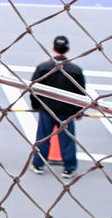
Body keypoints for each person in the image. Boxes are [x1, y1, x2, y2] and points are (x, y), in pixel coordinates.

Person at [30, 34, 87, 180]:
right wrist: (78, 111)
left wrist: (36, 105)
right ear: (68, 49)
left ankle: (38, 164)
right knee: (67, 140)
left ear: (53, 48)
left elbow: (34, 89)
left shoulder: (43, 67)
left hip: (47, 109)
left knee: (43, 138)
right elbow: (81, 93)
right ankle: (69, 168)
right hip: (67, 112)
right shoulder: (76, 70)